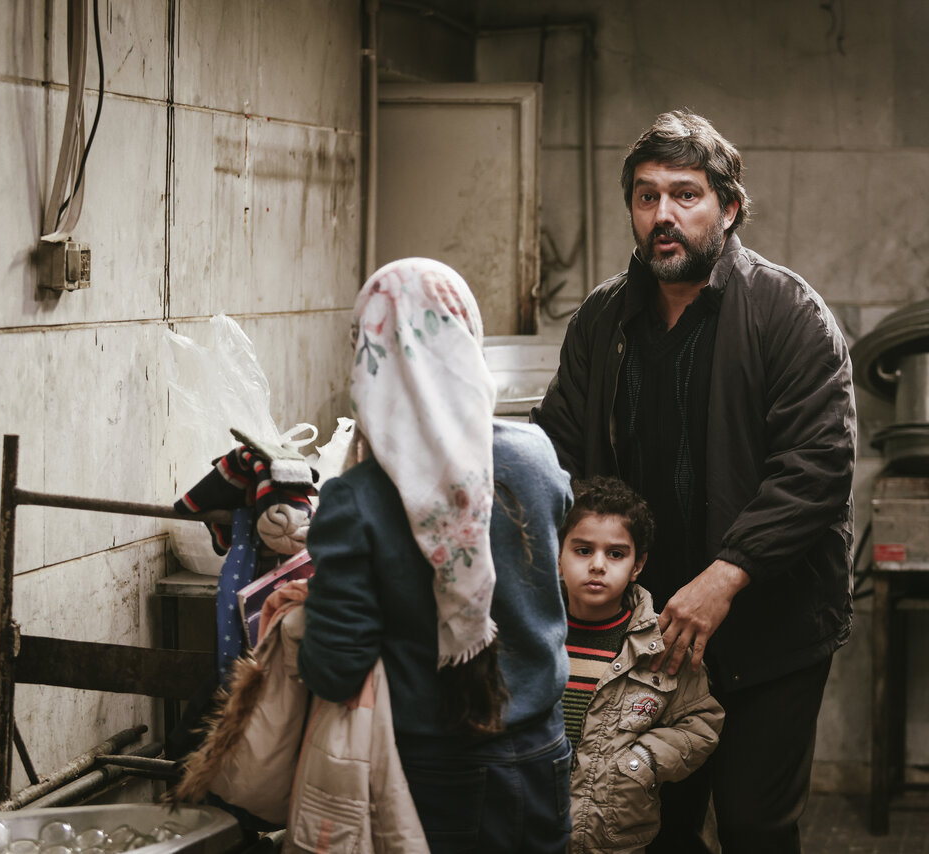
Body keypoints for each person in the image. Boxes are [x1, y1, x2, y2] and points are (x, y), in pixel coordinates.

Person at [533, 110, 857, 854]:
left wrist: (726, 574)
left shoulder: (787, 313)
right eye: (647, 197)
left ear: (728, 208)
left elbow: (817, 466)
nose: (663, 216)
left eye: (685, 195)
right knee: (650, 824)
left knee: (752, 824)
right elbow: (556, 448)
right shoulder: (604, 319)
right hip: (645, 640)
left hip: (767, 629)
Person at [299, 257, 574, 853]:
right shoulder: (536, 457)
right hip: (540, 757)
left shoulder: (357, 498)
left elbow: (337, 669)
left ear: (368, 356)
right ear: (468, 340)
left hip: (427, 774)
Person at [559, 476, 724, 854]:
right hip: (529, 829)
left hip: (613, 840)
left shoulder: (660, 647)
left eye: (616, 554)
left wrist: (643, 761)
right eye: (583, 550)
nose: (598, 565)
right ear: (558, 556)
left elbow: (702, 722)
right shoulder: (531, 637)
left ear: (638, 565)